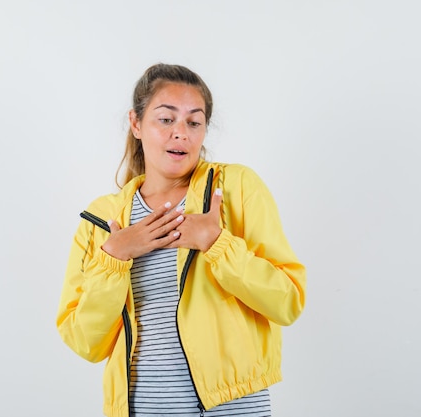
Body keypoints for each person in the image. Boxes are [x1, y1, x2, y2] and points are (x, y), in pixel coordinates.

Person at [56, 63, 306, 417]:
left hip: (232, 407)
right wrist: (114, 257)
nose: (181, 134)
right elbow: (86, 343)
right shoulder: (102, 220)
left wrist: (217, 243)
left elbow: (288, 302)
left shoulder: (235, 189)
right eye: (166, 119)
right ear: (136, 123)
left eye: (194, 121)